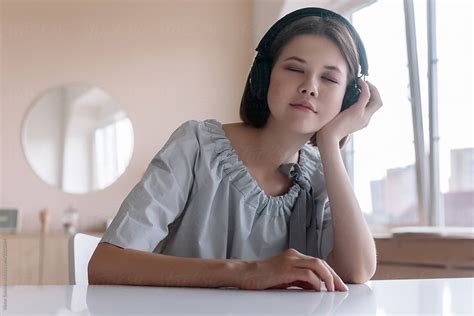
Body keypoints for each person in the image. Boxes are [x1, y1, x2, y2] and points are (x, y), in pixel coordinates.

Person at [88, 7, 382, 292]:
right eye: (294, 69)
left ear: (348, 100)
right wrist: (246, 272)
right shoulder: (196, 145)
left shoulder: (321, 174)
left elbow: (357, 271)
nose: (310, 87)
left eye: (329, 78)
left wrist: (330, 143)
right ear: (264, 76)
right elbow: (105, 264)